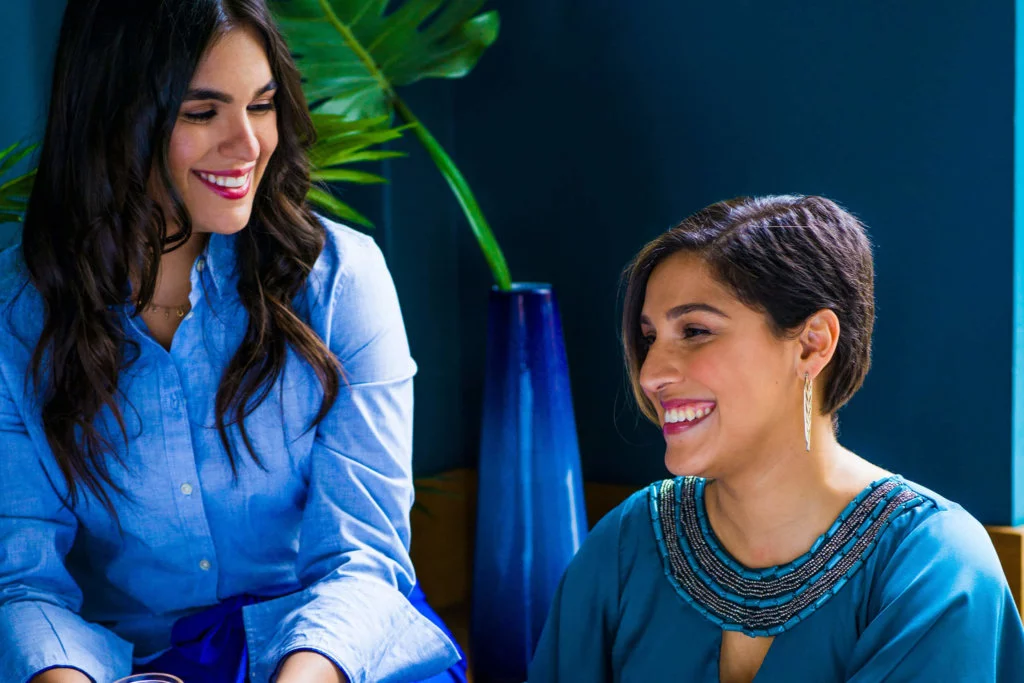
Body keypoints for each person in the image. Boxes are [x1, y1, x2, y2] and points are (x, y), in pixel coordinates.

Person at [0, 1, 466, 681]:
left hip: (327, 656)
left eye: (263, 104)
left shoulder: (342, 282)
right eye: (202, 112)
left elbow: (362, 561)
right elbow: (24, 583)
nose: (248, 144)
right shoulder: (17, 312)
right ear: (113, 116)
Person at [528, 195, 1024, 682]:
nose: (651, 373)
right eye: (650, 337)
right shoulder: (628, 542)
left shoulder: (935, 565)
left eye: (696, 330)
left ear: (812, 344)